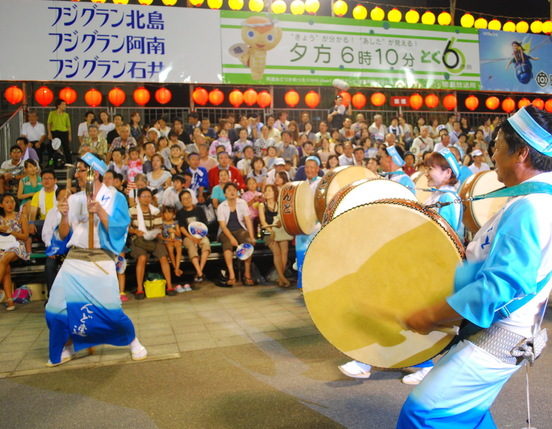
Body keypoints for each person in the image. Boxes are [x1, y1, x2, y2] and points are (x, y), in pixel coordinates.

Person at [397, 105, 552, 427]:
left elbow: (499, 286)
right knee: (468, 413)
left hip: (500, 334)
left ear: (521, 153)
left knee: (424, 414)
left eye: (496, 147)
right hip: (504, 331)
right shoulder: (535, 201)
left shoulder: (531, 207)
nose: (492, 155)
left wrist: (430, 314)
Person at [45, 153, 146, 365]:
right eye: (77, 170)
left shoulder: (115, 197)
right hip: (75, 258)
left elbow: (120, 229)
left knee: (110, 310)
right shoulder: (74, 198)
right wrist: (63, 216)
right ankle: (68, 345)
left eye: (81, 170)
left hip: (101, 259)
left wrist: (100, 211)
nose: (77, 175)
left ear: (94, 173)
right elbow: (63, 235)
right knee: (55, 307)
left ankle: (133, 341)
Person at [130, 188, 177, 300]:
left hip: (153, 239)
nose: (146, 199)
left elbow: (158, 227)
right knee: (142, 258)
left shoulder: (155, 211)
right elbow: (127, 227)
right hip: (138, 239)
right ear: (138, 198)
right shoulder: (132, 211)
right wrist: (136, 231)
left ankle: (169, 286)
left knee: (163, 257)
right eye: (144, 196)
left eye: (149, 196)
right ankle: (140, 288)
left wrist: (155, 233)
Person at [216, 182, 256, 286]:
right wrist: (231, 238)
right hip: (226, 232)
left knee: (248, 242)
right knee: (227, 244)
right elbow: (223, 226)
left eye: (234, 190)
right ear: (225, 194)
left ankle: (247, 274)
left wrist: (252, 237)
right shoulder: (221, 207)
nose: (232, 192)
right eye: (229, 190)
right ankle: (231, 275)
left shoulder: (242, 203)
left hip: (239, 230)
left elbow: (247, 220)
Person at [258, 184, 292, 287]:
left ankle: (280, 277)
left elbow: (284, 218)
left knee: (284, 249)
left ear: (275, 193)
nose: (267, 193)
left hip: (279, 229)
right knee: (276, 251)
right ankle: (282, 277)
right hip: (266, 230)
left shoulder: (280, 204)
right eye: (266, 191)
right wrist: (270, 230)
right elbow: (263, 222)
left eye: (270, 191)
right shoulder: (262, 205)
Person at [0, 194, 29, 311]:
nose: (10, 204)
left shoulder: (21, 216)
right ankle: (10, 301)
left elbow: (25, 236)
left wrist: (10, 231)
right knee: (5, 266)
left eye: (12, 201)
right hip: (2, 245)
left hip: (17, 245)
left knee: (4, 259)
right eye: (6, 202)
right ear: (1, 205)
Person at [42, 187, 71, 298]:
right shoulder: (52, 212)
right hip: (56, 249)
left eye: (68, 196)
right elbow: (46, 233)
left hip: (72, 249)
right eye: (63, 197)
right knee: (50, 265)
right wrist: (51, 249)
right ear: (57, 199)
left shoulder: (76, 211)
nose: (66, 199)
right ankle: (52, 297)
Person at [177, 189, 211, 283]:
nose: (187, 200)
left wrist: (199, 236)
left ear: (192, 198)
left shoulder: (199, 209)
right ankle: (200, 273)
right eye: (184, 199)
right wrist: (191, 237)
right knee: (191, 247)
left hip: (201, 235)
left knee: (206, 244)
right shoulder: (180, 213)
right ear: (181, 201)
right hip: (188, 237)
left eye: (188, 198)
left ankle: (199, 270)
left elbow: (204, 224)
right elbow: (182, 228)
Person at [160, 206, 184, 281]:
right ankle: (176, 268)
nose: (167, 215)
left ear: (173, 214)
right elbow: (160, 236)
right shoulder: (162, 224)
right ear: (163, 214)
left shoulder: (175, 223)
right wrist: (166, 239)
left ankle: (177, 268)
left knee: (178, 246)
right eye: (165, 213)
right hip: (167, 240)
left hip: (176, 239)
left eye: (170, 213)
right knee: (170, 249)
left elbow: (179, 234)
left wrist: (174, 231)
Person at [47, 99, 72, 163]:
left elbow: (68, 126)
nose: (65, 106)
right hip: (54, 132)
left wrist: (69, 135)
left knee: (66, 148)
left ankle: (69, 162)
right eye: (63, 104)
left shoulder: (66, 115)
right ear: (58, 105)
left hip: (64, 132)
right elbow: (49, 124)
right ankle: (51, 163)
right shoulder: (52, 113)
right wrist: (49, 133)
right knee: (52, 148)